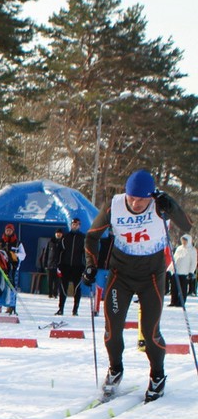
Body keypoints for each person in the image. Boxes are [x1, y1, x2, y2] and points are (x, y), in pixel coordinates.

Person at [83, 169, 193, 402]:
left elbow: (187, 226)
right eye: (132, 197)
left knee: (151, 332)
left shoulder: (160, 204)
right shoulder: (114, 205)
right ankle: (115, 370)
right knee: (112, 330)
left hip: (152, 275)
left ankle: (157, 376)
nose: (136, 202)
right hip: (120, 274)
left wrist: (171, 205)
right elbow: (92, 236)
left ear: (151, 195)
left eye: (142, 198)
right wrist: (91, 265)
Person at [57, 217, 87, 315]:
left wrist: (85, 267)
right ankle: (61, 308)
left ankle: (75, 309)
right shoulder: (65, 237)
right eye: (73, 224)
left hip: (78, 267)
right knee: (63, 288)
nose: (74, 226)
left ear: (79, 226)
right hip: (65, 266)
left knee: (77, 288)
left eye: (76, 225)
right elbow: (60, 252)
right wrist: (59, 264)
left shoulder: (83, 238)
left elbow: (86, 254)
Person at [0, 223, 25, 313]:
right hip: (1, 266)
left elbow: (23, 255)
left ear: (12, 231)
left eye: (10, 230)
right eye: (7, 230)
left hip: (12, 267)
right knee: (0, 285)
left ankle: (10, 306)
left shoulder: (17, 242)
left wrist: (15, 255)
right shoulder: (0, 241)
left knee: (10, 286)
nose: (8, 232)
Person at [168, 234, 196, 307]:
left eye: (185, 240)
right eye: (183, 240)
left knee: (183, 288)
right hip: (176, 271)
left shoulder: (192, 250)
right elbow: (174, 259)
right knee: (174, 287)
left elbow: (193, 262)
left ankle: (181, 302)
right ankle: (173, 301)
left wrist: (191, 272)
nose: (183, 242)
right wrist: (170, 268)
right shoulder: (179, 248)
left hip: (185, 272)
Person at [42, 228, 64, 299]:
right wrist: (44, 263)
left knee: (57, 280)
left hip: (59, 265)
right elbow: (46, 253)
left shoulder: (63, 242)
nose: (58, 234)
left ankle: (55, 293)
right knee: (50, 280)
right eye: (57, 233)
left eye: (60, 233)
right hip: (50, 264)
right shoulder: (50, 242)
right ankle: (50, 293)